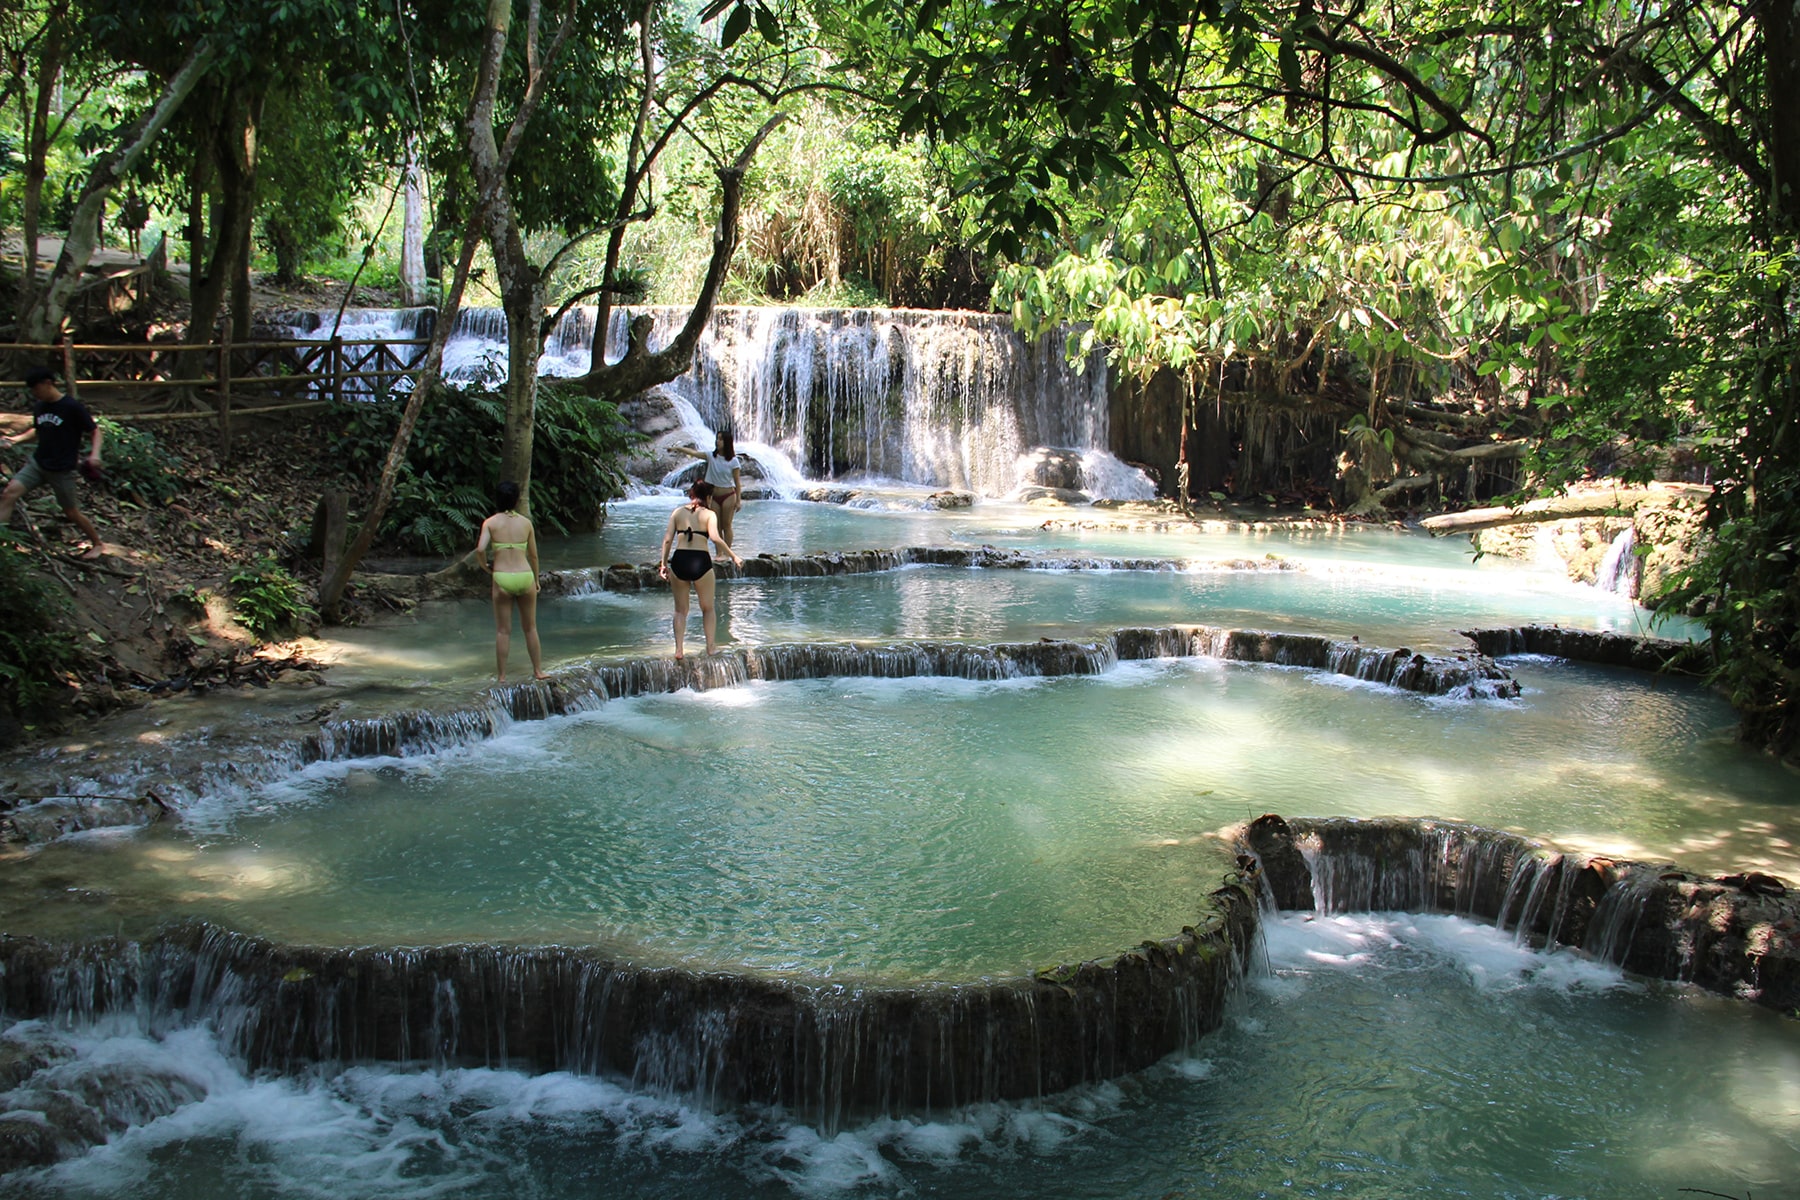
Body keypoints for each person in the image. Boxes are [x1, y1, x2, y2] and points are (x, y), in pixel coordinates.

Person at [1, 367, 105, 560]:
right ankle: (2, 542)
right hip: (38, 464)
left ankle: (98, 543)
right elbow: (40, 431)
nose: (34, 393)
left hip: (61, 469)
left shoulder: (71, 407)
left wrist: (95, 454)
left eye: (36, 388)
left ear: (48, 383)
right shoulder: (40, 406)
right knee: (9, 493)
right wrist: (15, 440)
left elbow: (95, 431)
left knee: (71, 512)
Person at [657, 479, 744, 658]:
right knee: (708, 608)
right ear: (709, 497)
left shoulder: (677, 512)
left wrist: (663, 564)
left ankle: (679, 650)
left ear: (691, 495)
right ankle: (711, 647)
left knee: (680, 610)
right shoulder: (710, 514)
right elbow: (715, 537)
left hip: (680, 559)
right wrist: (733, 555)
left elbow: (667, 540)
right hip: (700, 561)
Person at [474, 480, 550, 684]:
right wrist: (536, 579)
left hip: (502, 576)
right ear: (516, 501)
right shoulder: (526, 523)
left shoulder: (490, 523)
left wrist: (485, 567)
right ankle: (538, 671)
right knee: (530, 628)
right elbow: (533, 555)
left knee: (503, 630)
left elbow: (480, 549)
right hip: (525, 575)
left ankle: (502, 677)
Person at [673, 429, 743, 545]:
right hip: (714, 496)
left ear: (727, 442)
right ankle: (720, 553)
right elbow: (694, 453)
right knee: (717, 526)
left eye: (721, 439)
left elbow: (737, 482)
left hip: (728, 495)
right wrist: (678, 449)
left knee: (727, 525)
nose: (717, 441)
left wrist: (739, 501)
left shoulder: (733, 461)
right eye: (717, 438)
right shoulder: (711, 456)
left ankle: (727, 553)